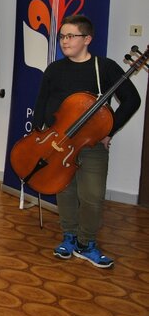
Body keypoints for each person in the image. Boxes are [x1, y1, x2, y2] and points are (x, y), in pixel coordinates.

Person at [33, 14, 140, 269]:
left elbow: (131, 100)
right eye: (62, 37)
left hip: (91, 144)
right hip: (58, 141)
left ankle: (86, 243)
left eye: (70, 36)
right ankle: (68, 237)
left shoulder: (105, 67)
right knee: (65, 190)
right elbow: (42, 102)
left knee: (91, 195)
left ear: (87, 39)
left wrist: (109, 131)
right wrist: (39, 133)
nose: (64, 41)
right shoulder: (54, 69)